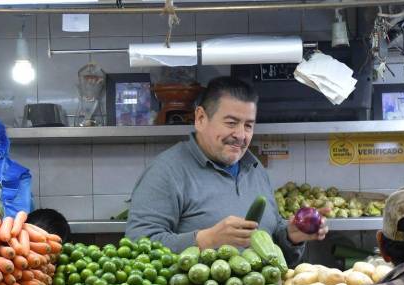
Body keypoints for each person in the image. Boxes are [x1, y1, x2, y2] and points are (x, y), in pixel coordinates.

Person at [126, 76, 327, 263]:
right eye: (231, 123)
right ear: (201, 118)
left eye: (248, 125)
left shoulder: (255, 169)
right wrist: (205, 240)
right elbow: (137, 248)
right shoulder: (165, 172)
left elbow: (272, 247)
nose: (241, 135)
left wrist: (291, 237)